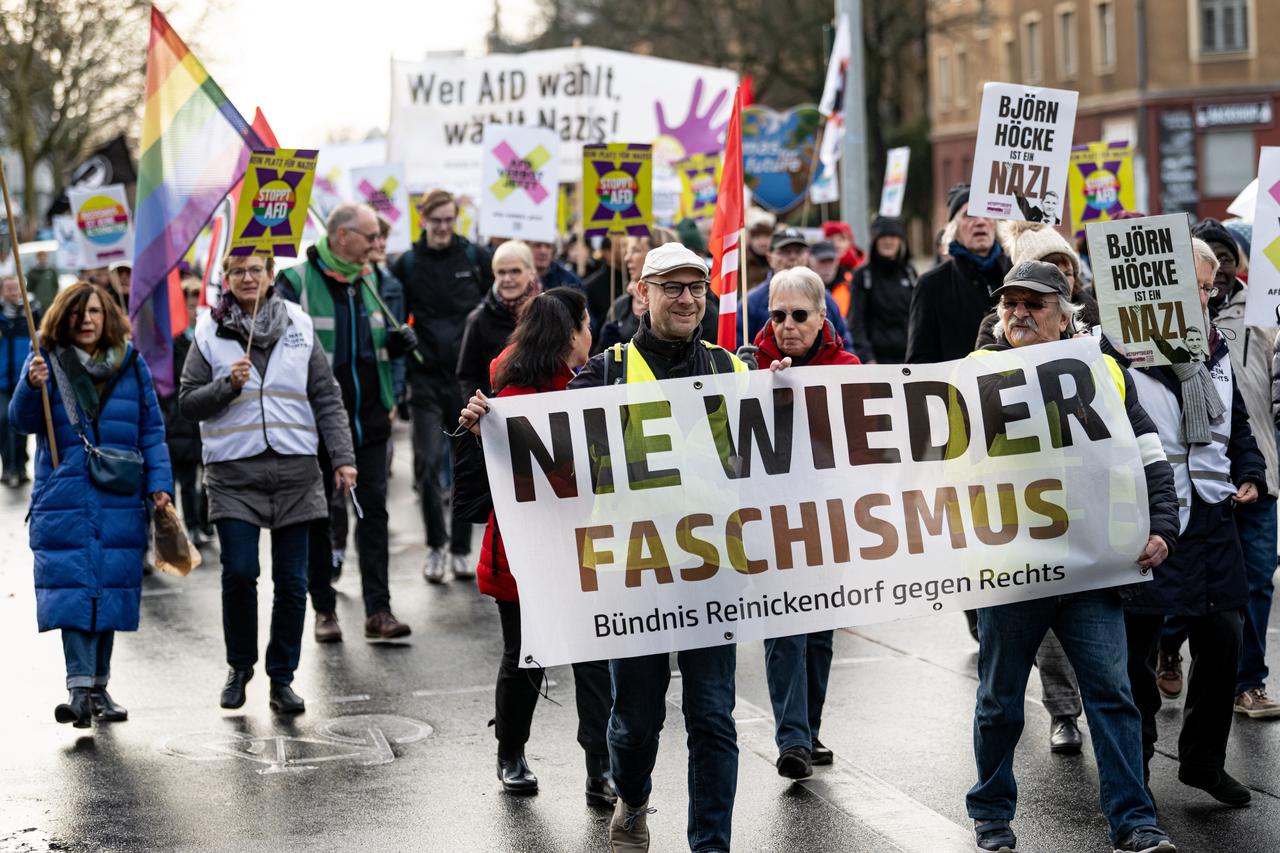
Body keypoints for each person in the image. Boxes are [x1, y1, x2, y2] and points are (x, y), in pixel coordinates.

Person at [966, 260, 1179, 853]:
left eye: (1034, 303)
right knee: (999, 700)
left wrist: (1162, 522)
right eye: (1010, 303)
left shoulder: (1104, 370)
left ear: (1066, 313)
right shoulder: (975, 371)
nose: (1019, 313)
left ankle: (1134, 822)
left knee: (1111, 696)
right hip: (1011, 570)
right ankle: (991, 818)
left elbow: (1148, 453)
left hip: (1089, 568)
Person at [569, 242, 749, 853]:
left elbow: (779, 452)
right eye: (671, 286)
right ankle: (634, 799)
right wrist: (488, 422)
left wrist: (783, 392)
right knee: (636, 720)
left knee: (712, 716)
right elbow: (549, 435)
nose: (686, 298)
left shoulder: (732, 369)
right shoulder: (608, 369)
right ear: (641, 294)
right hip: (636, 570)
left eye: (696, 286)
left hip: (712, 568)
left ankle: (710, 844)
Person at [455, 288, 615, 807]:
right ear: (572, 333)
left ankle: (599, 767)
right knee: (527, 656)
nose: (592, 335)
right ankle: (512, 754)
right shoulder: (512, 399)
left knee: (590, 658)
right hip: (526, 554)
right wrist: (477, 432)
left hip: (583, 549)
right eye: (588, 325)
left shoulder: (584, 388)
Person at [1122, 238, 1267, 809]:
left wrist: (1250, 468)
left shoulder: (1213, 349)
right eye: (1194, 287)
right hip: (1150, 513)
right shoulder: (1117, 352)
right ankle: (1134, 763)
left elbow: (1237, 422)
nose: (1204, 297)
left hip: (1210, 513)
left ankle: (1203, 761)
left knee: (1224, 634)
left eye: (1209, 288)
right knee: (1136, 646)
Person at [180, 252, 356, 713]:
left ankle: (283, 678)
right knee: (239, 572)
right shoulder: (208, 331)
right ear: (226, 280)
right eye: (237, 271)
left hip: (296, 472)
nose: (247, 278)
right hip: (233, 473)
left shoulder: (299, 324)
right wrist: (226, 387)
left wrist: (342, 458)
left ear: (270, 275)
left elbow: (326, 395)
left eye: (255, 269)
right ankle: (240, 668)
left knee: (292, 582)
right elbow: (187, 403)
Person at [11, 281, 173, 728]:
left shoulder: (131, 363)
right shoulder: (45, 360)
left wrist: (160, 485)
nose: (87, 320)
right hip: (64, 496)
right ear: (64, 317)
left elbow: (151, 431)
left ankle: (98, 686)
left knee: (110, 591)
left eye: (96, 312)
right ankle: (79, 689)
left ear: (109, 318)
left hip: (119, 494)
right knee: (76, 591)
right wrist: (30, 385)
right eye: (79, 312)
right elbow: (21, 422)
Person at [277, 203, 418, 641]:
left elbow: (373, 349)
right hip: (316, 424)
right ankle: (324, 610)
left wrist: (396, 349)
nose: (378, 244)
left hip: (370, 422)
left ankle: (380, 610)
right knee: (320, 517)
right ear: (341, 237)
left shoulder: (370, 279)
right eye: (370, 236)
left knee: (373, 513)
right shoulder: (296, 281)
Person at [750, 267, 859, 781]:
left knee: (818, 633)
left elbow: (861, 446)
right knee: (783, 629)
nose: (787, 325)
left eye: (798, 315)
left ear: (821, 316)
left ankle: (809, 731)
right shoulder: (748, 368)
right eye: (777, 315)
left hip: (829, 519)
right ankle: (791, 738)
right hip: (772, 519)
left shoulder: (847, 366)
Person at [1188, 219, 1280, 719]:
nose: (1219, 270)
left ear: (1240, 261)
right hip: (1195, 479)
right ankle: (1169, 649)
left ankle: (1249, 683)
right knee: (1195, 588)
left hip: (1258, 467)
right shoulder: (1172, 318)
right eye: (1208, 264)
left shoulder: (1266, 312)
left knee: (1258, 580)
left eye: (1227, 258)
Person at [392, 190, 491, 583]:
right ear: (423, 219)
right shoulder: (408, 264)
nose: (444, 227)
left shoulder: (474, 258)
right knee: (429, 463)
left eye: (450, 220)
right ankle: (435, 546)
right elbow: (395, 319)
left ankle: (462, 549)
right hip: (426, 379)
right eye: (437, 221)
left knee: (465, 465)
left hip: (466, 379)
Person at [906, 184, 1010, 365]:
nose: (980, 221)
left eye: (986, 214)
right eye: (968, 215)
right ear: (954, 229)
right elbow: (919, 361)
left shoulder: (1016, 276)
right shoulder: (931, 285)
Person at [741, 228, 852, 350]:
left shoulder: (825, 298)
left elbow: (844, 345)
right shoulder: (751, 303)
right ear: (769, 257)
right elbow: (737, 348)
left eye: (798, 251)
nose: (792, 257)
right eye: (784, 252)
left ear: (807, 256)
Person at [456, 240, 540, 399]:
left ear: (531, 272)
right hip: (497, 415)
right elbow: (468, 376)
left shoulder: (548, 314)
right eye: (501, 272)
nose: (507, 278)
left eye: (515, 271)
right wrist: (480, 412)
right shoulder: (478, 320)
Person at [161, 275, 207, 543]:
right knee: (180, 482)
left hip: (199, 425)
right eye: (188, 306)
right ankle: (180, 529)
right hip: (177, 423)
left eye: (196, 306)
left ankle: (197, 523)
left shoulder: (204, 339)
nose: (193, 311)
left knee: (199, 482)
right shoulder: (173, 344)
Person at [848, 216, 917, 365]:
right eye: (883, 236)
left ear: (900, 240)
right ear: (875, 241)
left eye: (893, 236)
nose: (888, 241)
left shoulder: (910, 273)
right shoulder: (863, 276)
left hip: (909, 362)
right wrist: (867, 358)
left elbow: (919, 320)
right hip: (876, 364)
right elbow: (855, 323)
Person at [1, 274, 40, 485]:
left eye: (16, 288)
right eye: (9, 289)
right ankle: (8, 465)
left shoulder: (33, 313)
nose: (13, 293)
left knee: (20, 424)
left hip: (23, 380)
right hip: (1, 383)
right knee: (3, 421)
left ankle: (21, 465)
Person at [582, 236, 629, 335]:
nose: (627, 251)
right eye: (622, 246)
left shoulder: (636, 281)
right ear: (606, 253)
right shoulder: (591, 286)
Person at [744, 208, 775, 290]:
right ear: (749, 238)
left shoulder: (779, 262)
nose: (763, 242)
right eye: (757, 237)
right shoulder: (741, 264)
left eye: (767, 236)